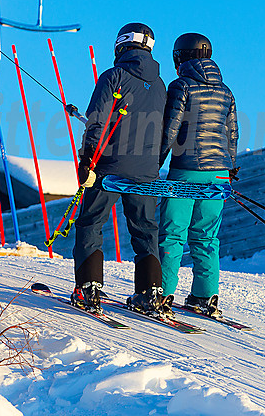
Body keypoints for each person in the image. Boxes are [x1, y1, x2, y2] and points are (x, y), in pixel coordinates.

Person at [71, 22, 168, 316]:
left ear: (121, 45)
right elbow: (166, 132)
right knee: (145, 229)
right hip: (147, 169)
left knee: (91, 223)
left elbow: (97, 121)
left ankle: (88, 288)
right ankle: (150, 291)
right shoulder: (161, 84)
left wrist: (87, 159)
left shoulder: (114, 76)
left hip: (109, 166)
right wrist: (154, 163)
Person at [158, 32, 238, 318]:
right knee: (207, 236)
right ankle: (205, 296)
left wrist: (156, 162)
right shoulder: (226, 91)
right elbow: (232, 134)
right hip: (219, 175)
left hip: (186, 170)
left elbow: (170, 129)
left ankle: (163, 294)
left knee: (172, 234)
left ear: (180, 57)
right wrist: (230, 166)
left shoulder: (181, 86)